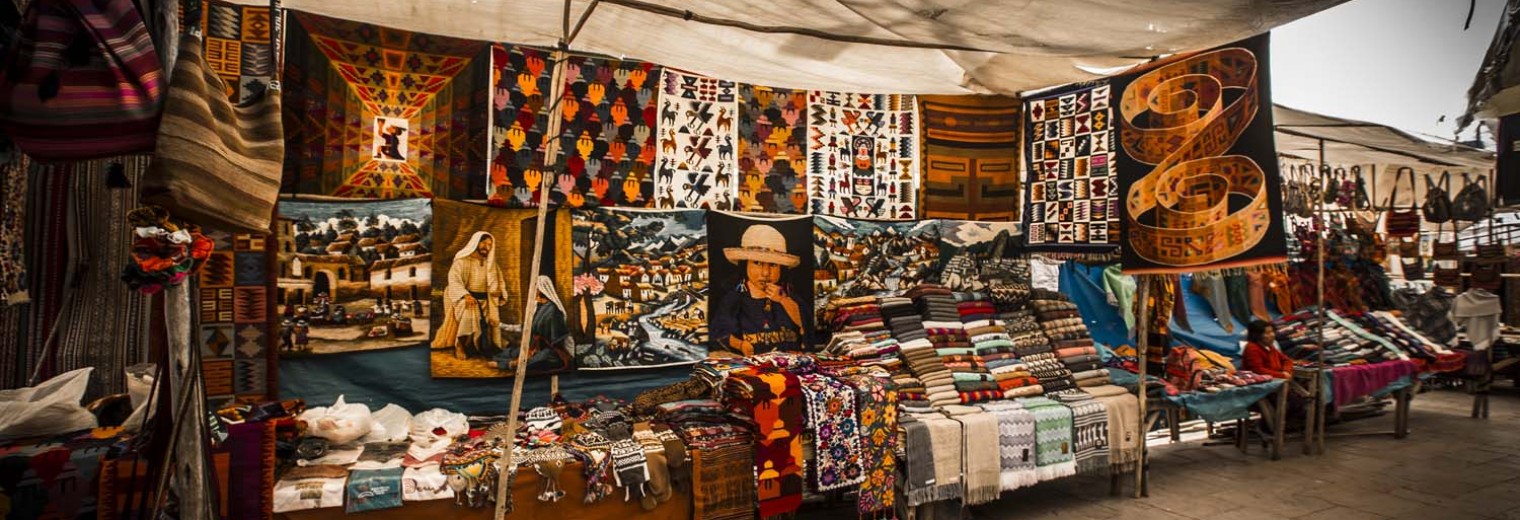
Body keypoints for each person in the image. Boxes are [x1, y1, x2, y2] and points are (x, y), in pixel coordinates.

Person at [710, 224, 804, 356]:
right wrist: (740, 344)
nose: (765, 273)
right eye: (757, 263)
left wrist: (783, 300)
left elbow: (805, 323)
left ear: (781, 268)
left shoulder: (790, 297)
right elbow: (719, 332)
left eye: (773, 265)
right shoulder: (734, 298)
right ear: (745, 264)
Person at [432, 232, 506, 360]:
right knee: (470, 309)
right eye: (483, 243)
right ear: (475, 242)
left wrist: (500, 293)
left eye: (489, 244)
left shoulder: (492, 265)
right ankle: (460, 345)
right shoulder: (462, 262)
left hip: (487, 302)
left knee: (490, 324)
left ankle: (478, 346)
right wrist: (465, 295)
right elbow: (454, 280)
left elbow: (501, 283)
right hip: (465, 299)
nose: (486, 247)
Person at [489, 276, 572, 373]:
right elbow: (525, 328)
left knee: (540, 359)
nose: (531, 290)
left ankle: (510, 364)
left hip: (551, 351)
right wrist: (500, 325)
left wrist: (534, 351)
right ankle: (513, 361)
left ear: (542, 290)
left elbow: (557, 341)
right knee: (508, 353)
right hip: (534, 348)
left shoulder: (554, 311)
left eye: (535, 288)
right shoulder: (538, 308)